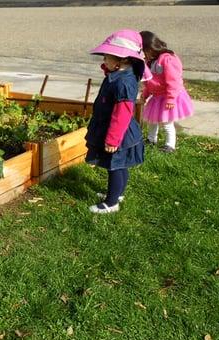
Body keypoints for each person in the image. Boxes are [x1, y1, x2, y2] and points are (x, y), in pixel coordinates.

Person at [85, 29, 150, 214]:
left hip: (118, 133)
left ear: (122, 60)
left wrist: (112, 139)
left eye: (107, 57)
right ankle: (118, 192)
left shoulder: (122, 82)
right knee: (121, 165)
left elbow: (122, 113)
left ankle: (111, 203)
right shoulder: (121, 74)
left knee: (115, 166)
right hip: (120, 131)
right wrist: (109, 68)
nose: (104, 60)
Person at [140, 30, 194, 153]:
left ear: (149, 48)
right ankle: (151, 139)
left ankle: (170, 145)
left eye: (142, 51)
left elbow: (174, 80)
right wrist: (145, 94)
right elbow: (149, 81)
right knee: (152, 120)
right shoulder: (149, 62)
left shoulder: (167, 60)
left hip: (168, 96)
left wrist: (171, 98)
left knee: (166, 122)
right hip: (157, 97)